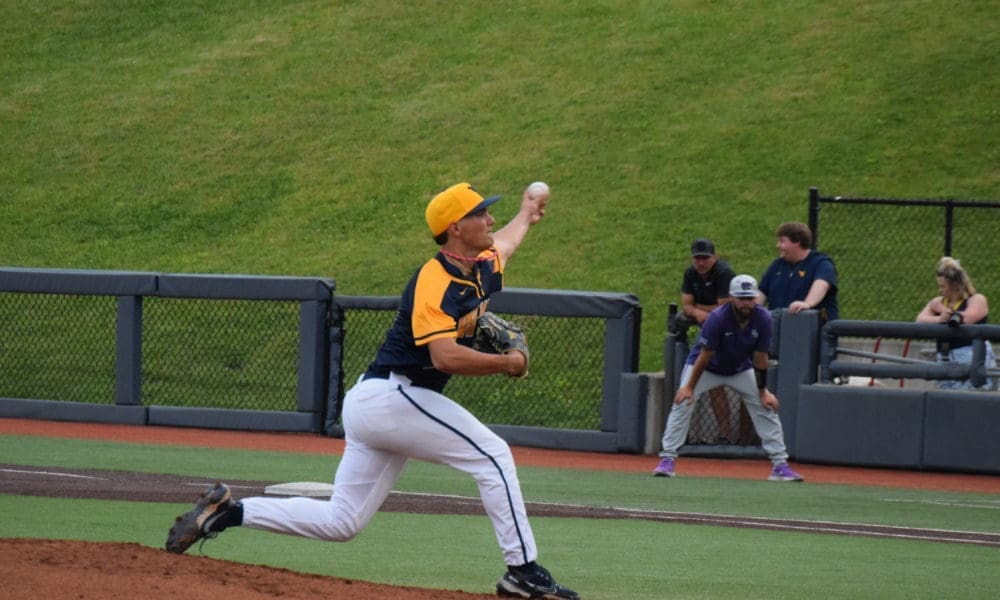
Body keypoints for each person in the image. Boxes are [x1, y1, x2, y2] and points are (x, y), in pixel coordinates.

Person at [164, 181, 581, 600]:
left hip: (379, 402)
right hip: (392, 398)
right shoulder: (435, 280)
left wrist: (526, 214)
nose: (490, 219)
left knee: (342, 521)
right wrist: (509, 363)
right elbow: (444, 357)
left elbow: (505, 243)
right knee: (493, 456)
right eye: (481, 213)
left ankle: (227, 513)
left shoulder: (481, 263)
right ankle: (523, 571)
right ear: (456, 228)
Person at [652, 275, 804, 482]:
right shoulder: (717, 318)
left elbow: (760, 358)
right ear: (732, 297)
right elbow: (705, 356)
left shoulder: (763, 318)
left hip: (740, 368)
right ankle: (667, 460)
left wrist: (763, 392)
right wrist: (689, 387)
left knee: (766, 407)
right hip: (705, 367)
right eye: (741, 298)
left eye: (750, 298)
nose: (746, 303)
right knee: (682, 403)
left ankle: (780, 465)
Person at [668, 239, 752, 444]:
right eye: (697, 258)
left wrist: (699, 309)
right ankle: (725, 436)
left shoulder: (724, 273)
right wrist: (699, 312)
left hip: (735, 336)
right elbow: (687, 305)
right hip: (712, 337)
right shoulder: (691, 273)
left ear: (714, 257)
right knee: (714, 386)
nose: (701, 262)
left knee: (750, 391)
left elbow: (725, 307)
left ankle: (745, 440)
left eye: (705, 258)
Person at [915, 257, 996, 390]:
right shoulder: (939, 301)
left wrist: (942, 310)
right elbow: (920, 320)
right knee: (947, 399)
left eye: (943, 287)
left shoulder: (976, 299)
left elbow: (966, 319)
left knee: (973, 396)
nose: (940, 290)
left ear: (954, 285)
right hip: (945, 357)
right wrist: (938, 318)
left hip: (970, 355)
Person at [758, 222, 839, 322]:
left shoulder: (821, 263)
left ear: (797, 242)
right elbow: (762, 292)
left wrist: (807, 304)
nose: (778, 245)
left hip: (813, 327)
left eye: (782, 241)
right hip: (781, 327)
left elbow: (822, 284)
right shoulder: (777, 265)